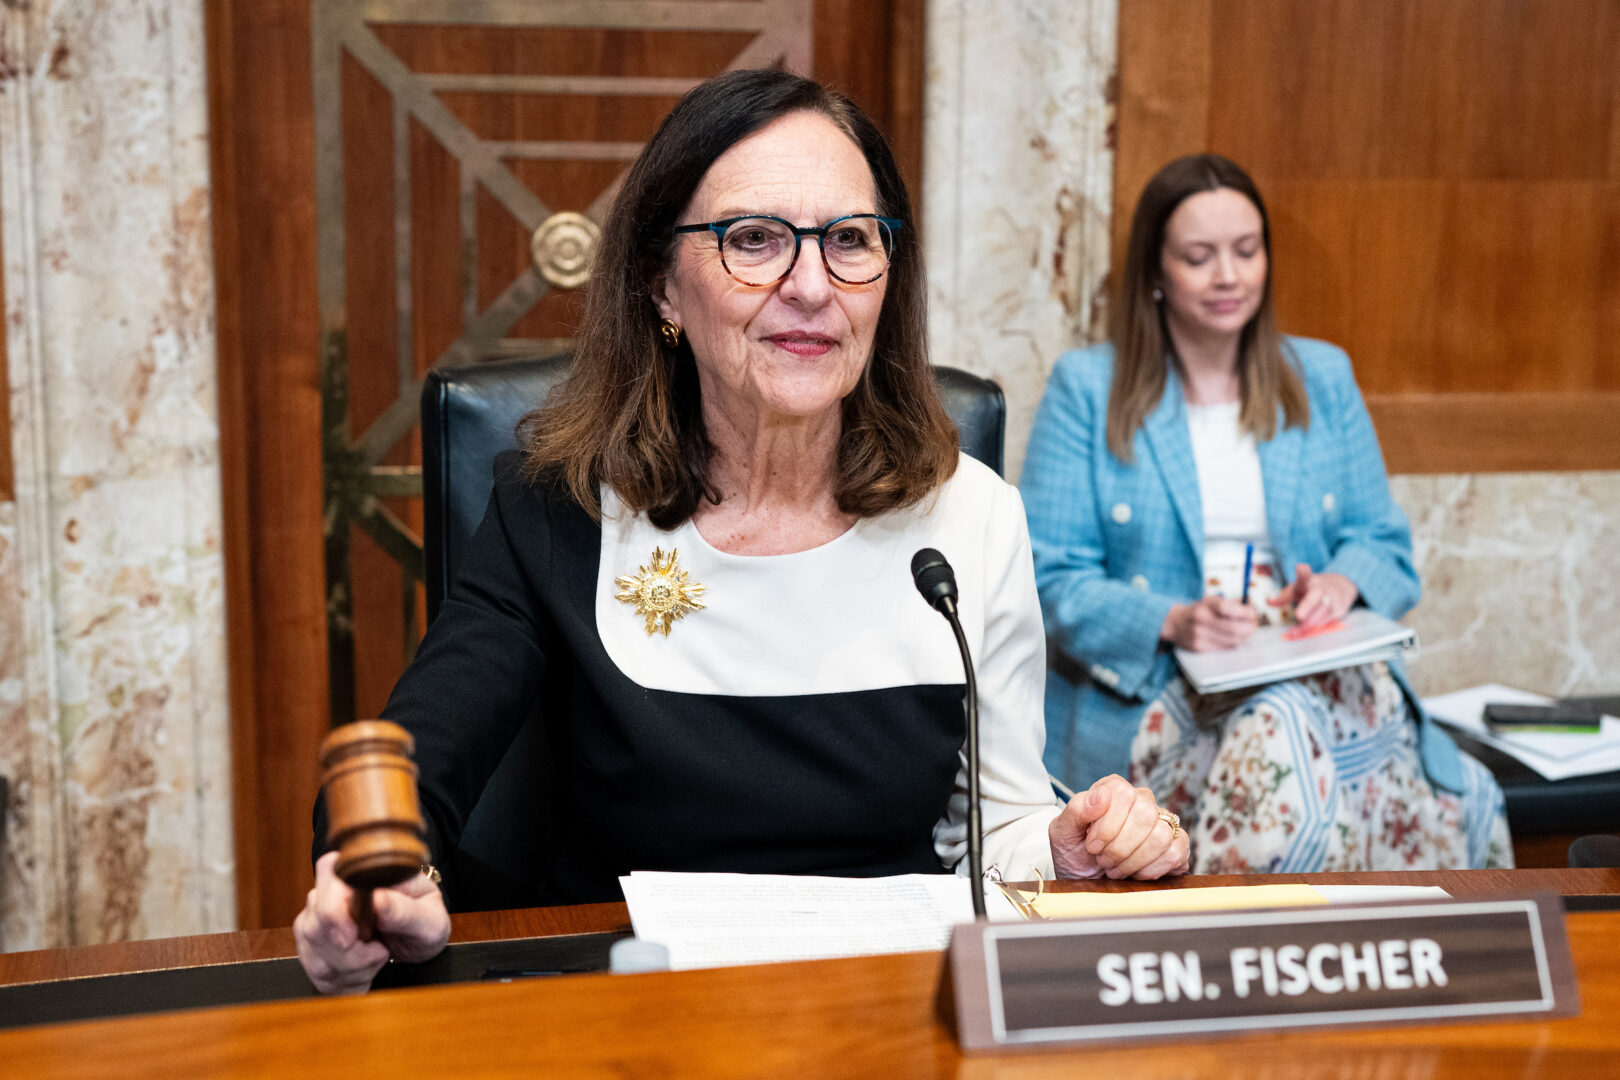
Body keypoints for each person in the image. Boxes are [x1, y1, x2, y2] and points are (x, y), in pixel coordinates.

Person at [295, 70, 1190, 995]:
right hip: (631, 1015)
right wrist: (370, 878)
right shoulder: (561, 504)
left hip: (883, 1010)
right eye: (753, 240)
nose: (811, 287)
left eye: (848, 241)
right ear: (662, 285)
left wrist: (1067, 848)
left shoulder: (970, 516)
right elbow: (413, 763)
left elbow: (993, 830)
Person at [1020, 153, 1511, 878]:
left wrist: (1338, 587)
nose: (1229, 276)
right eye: (1199, 256)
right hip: (1165, 689)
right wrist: (1173, 619)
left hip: (1318, 665)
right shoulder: (1087, 389)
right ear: (1155, 271)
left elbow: (1383, 542)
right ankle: (1266, 961)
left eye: (1247, 252)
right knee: (1282, 725)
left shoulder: (1322, 375)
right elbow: (1048, 575)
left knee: (1459, 785)